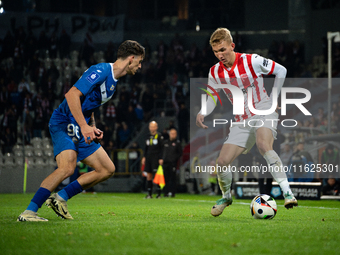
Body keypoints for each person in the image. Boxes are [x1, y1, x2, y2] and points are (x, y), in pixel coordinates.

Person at [17, 40, 145, 221]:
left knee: (107, 169)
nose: (140, 66)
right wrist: (84, 126)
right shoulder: (101, 71)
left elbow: (89, 105)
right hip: (64, 121)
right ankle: (29, 212)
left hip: (80, 125)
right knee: (67, 167)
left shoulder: (113, 82)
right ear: (131, 58)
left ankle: (60, 198)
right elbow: (71, 95)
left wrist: (91, 125)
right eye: (139, 61)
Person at [196, 28, 298, 217]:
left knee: (262, 145)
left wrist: (275, 99)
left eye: (223, 50)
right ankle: (226, 197)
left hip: (263, 110)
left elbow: (281, 70)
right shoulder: (215, 71)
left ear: (232, 46)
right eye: (216, 52)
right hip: (241, 120)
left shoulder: (252, 60)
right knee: (222, 162)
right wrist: (203, 112)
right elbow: (211, 96)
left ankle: (288, 192)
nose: (220, 55)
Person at [141, 121, 164, 198]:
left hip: (156, 158)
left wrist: (161, 158)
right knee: (149, 175)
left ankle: (158, 194)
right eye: (151, 126)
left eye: (153, 127)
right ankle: (149, 194)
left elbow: (162, 149)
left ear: (156, 127)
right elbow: (146, 148)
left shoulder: (160, 136)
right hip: (148, 158)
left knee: (156, 175)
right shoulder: (147, 136)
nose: (152, 128)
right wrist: (144, 157)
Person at [162, 128, 182, 197]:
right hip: (165, 163)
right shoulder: (165, 142)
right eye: (172, 133)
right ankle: (166, 192)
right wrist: (162, 159)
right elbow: (162, 152)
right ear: (169, 134)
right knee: (165, 178)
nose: (173, 135)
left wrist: (174, 159)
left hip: (173, 163)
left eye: (174, 134)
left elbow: (180, 153)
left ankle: (173, 192)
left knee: (172, 178)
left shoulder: (177, 143)